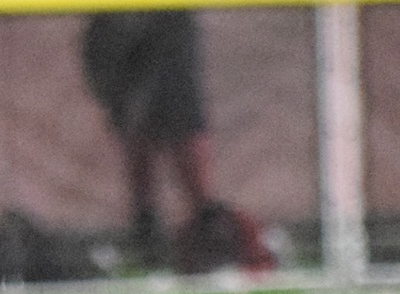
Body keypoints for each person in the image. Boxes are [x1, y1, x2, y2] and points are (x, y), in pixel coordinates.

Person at [80, 10, 270, 273]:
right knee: (134, 127)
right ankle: (146, 239)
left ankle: (210, 233)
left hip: (167, 19)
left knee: (183, 122)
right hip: (115, 22)